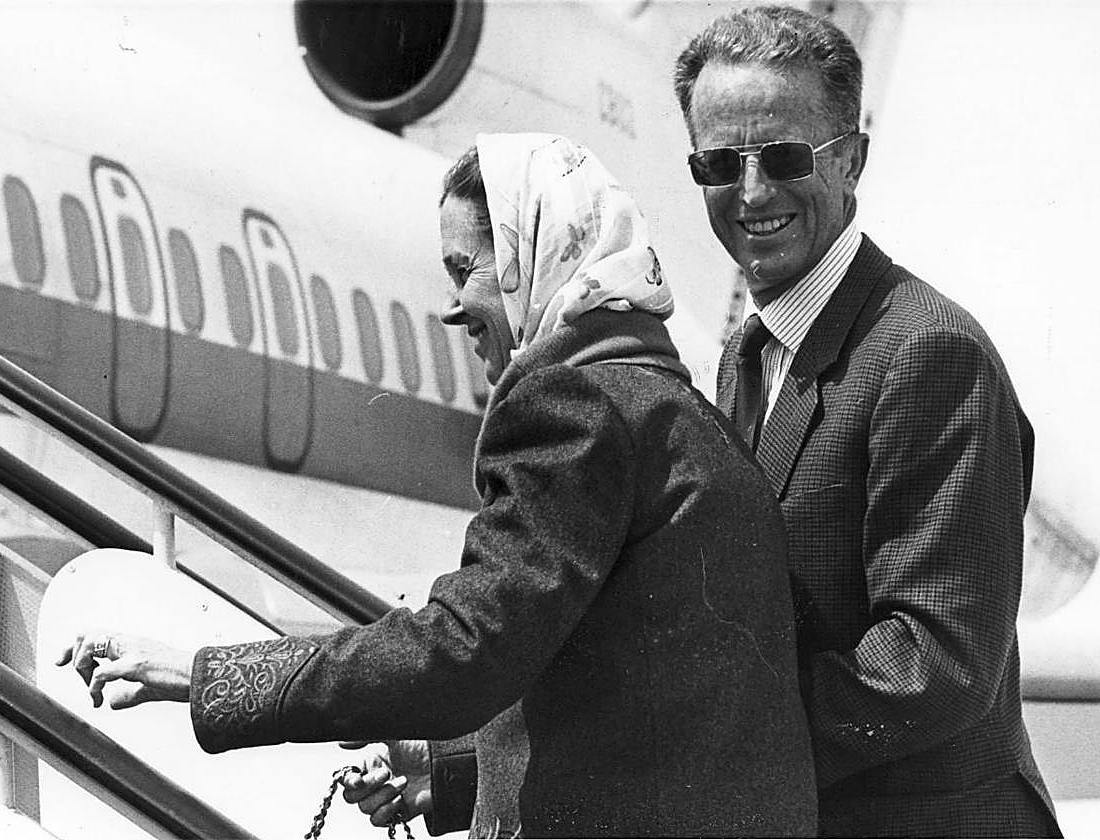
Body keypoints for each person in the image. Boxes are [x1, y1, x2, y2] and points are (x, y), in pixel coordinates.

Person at [60, 133, 818, 837]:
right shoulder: (675, 411)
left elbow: (466, 648)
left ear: (534, 258)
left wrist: (207, 675)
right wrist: (449, 771)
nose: (455, 309)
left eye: (468, 270)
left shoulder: (575, 406)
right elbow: (640, 708)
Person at [672, 6, 1060, 837]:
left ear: (852, 159)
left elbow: (932, 661)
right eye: (718, 164)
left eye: (782, 156)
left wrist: (681, 748)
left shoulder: (930, 354)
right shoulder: (748, 357)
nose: (750, 194)